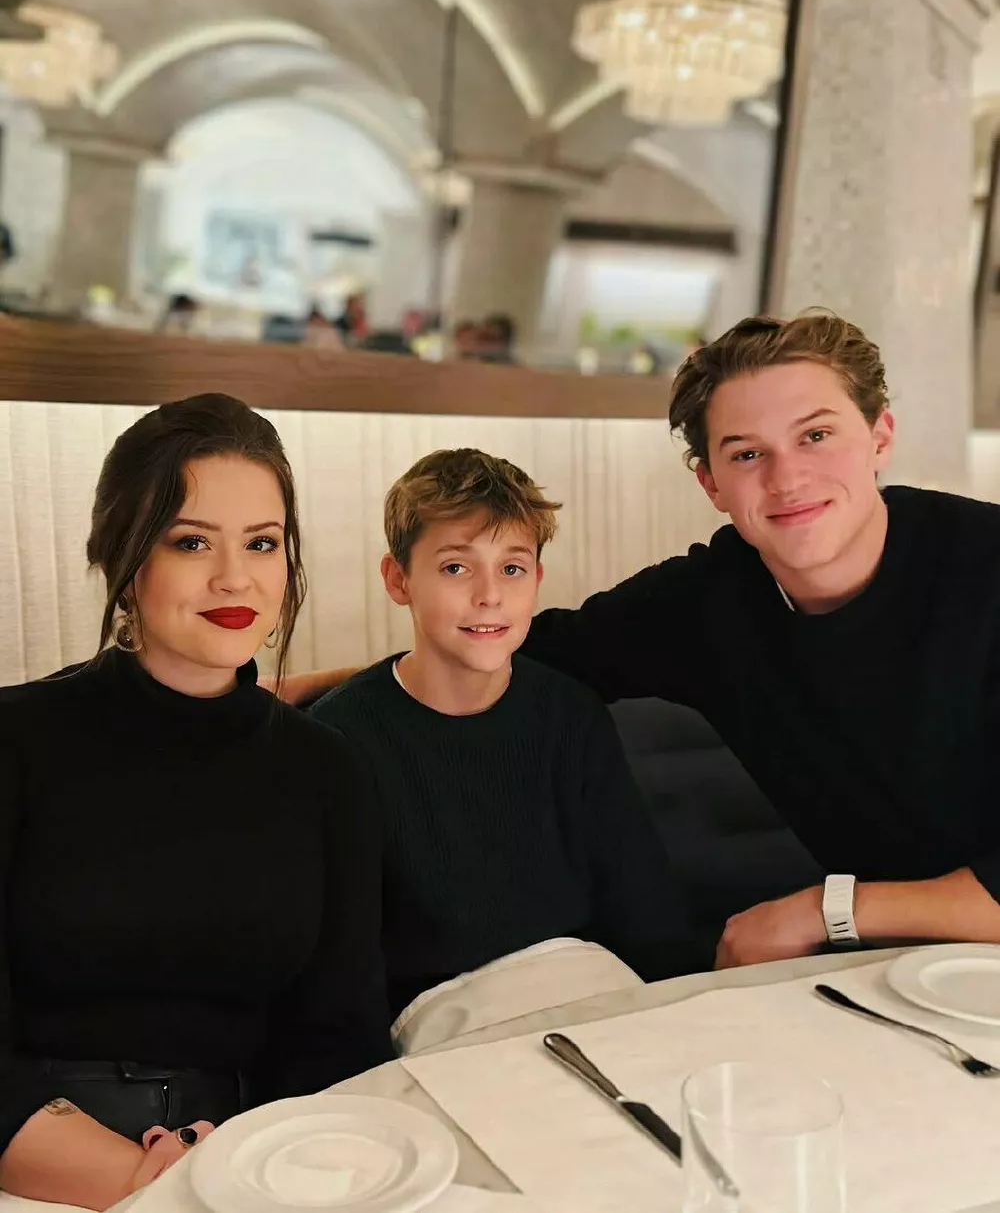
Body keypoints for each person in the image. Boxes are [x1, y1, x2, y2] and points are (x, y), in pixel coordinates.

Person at [274, 312, 1000, 972]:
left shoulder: (986, 566)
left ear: (880, 436)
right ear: (711, 483)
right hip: (900, 970)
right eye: (747, 454)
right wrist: (324, 689)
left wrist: (827, 910)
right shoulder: (710, 601)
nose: (787, 478)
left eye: (816, 435)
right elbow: (516, 647)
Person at [0, 393, 391, 1211]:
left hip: (251, 1161)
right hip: (41, 1162)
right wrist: (140, 1182)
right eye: (191, 542)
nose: (234, 577)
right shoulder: (18, 740)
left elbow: (340, 1038)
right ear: (123, 558)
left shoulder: (328, 769)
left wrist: (256, 1167)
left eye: (262, 543)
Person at [309, 449, 699, 1021]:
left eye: (512, 569)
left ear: (536, 578)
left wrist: (686, 1019)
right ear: (398, 579)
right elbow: (342, 965)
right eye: (456, 568)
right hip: (442, 1021)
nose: (490, 595)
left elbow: (644, 905)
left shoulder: (570, 712)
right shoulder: (341, 738)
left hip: (594, 995)